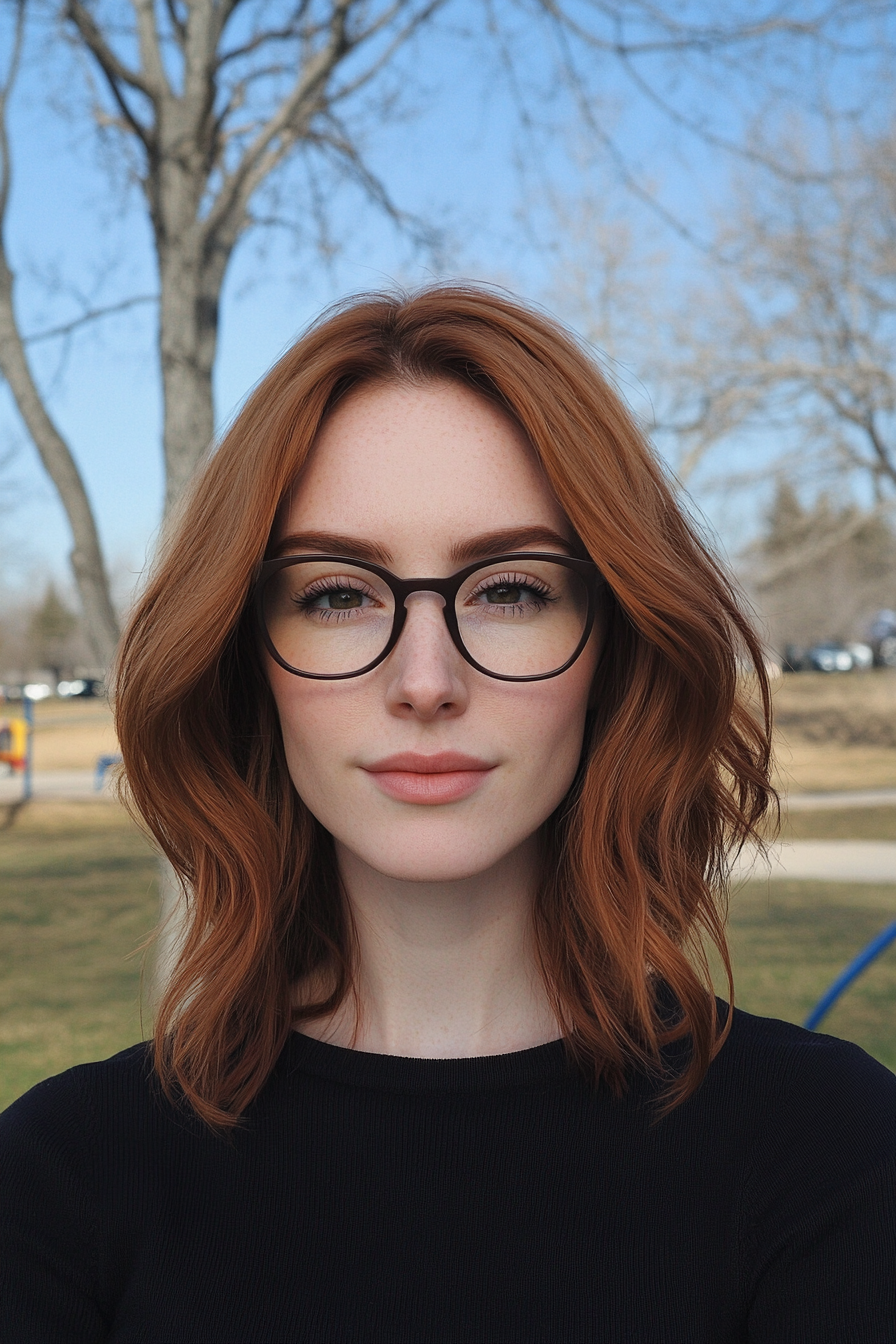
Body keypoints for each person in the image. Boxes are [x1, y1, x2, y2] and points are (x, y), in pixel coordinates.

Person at [0, 285, 893, 1343]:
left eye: (508, 590)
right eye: (337, 594)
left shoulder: (831, 1154)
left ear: (614, 646)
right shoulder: (57, 1181)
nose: (424, 681)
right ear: (247, 662)